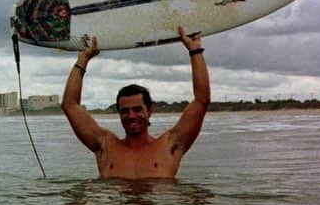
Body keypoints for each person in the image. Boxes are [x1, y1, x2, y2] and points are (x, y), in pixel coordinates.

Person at [61, 26, 210, 179]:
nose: (131, 115)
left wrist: (195, 50)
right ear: (119, 114)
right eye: (125, 111)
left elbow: (201, 100)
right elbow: (70, 105)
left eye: (137, 109)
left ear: (149, 111)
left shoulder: (169, 145)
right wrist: (83, 59)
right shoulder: (105, 146)